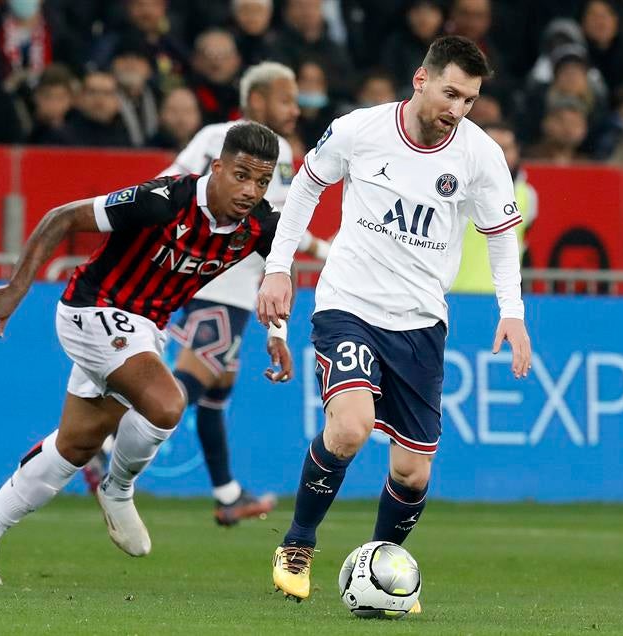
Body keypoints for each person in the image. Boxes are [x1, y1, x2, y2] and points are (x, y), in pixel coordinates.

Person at [257, 35, 532, 607]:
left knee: (413, 475)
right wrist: (278, 269)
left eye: (471, 100)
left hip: (421, 323)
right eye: (451, 93)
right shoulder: (360, 129)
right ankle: (298, 541)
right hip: (349, 306)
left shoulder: (480, 155)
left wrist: (513, 312)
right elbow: (306, 188)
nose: (457, 109)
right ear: (421, 80)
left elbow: (502, 237)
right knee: (351, 427)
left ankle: (375, 569)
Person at [0, 122, 291, 585]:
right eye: (241, 175)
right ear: (218, 167)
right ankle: (119, 487)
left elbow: (279, 270)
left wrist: (278, 332)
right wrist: (15, 291)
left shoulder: (259, 224)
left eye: (262, 181)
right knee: (166, 402)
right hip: (92, 309)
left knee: (74, 446)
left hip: (144, 329)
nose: (251, 190)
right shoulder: (162, 200)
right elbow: (63, 217)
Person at [155, 61, 329, 525]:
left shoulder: (286, 156)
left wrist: (322, 250)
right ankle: (107, 446)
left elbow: (283, 228)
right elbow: (165, 186)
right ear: (255, 102)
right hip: (213, 281)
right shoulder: (217, 138)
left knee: (216, 387)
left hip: (241, 284)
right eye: (285, 98)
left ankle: (227, 494)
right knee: (189, 384)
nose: (295, 108)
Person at [451, 121, 537, 292]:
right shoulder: (454, 187)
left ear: (517, 151)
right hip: (452, 292)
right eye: (493, 147)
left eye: (506, 148)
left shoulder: (527, 194)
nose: (500, 154)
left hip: (500, 298)